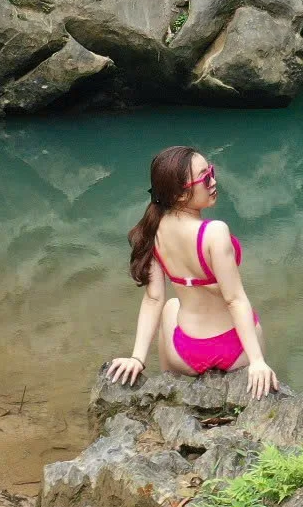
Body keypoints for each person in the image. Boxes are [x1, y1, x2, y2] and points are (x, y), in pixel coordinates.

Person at [104, 145, 278, 397]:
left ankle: (168, 387)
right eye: (205, 177)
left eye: (212, 171)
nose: (214, 181)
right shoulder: (214, 232)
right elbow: (234, 299)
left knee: (170, 306)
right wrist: (258, 362)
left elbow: (153, 298)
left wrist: (137, 358)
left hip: (183, 353)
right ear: (182, 195)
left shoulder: (153, 230)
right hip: (234, 351)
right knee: (247, 312)